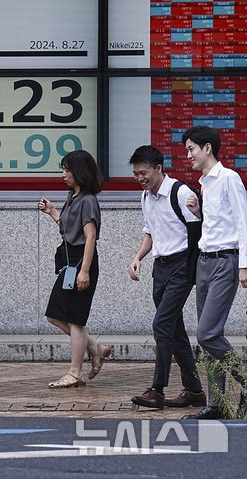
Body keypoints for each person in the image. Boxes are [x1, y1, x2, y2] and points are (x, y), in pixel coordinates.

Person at [127, 145, 205, 409]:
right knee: (174, 331)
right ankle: (194, 391)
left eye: (144, 173)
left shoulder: (180, 192)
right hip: (160, 268)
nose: (140, 178)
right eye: (136, 174)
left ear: (159, 168)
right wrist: (138, 257)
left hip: (182, 266)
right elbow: (150, 231)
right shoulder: (146, 197)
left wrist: (195, 269)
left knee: (161, 324)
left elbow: (199, 227)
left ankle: (157, 389)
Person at [180, 126, 247, 420]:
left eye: (191, 149)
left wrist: (244, 264)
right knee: (210, 337)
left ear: (208, 148)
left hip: (225, 261)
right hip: (204, 262)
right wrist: (198, 212)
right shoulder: (204, 183)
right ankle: (216, 403)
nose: (188, 155)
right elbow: (216, 224)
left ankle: (244, 377)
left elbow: (243, 223)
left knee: (206, 334)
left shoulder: (229, 178)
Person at [38, 150, 111, 388]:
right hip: (70, 260)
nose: (64, 174)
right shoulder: (73, 196)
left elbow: (90, 238)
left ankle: (75, 372)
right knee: (55, 314)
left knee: (76, 319)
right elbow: (69, 228)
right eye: (64, 169)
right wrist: (52, 212)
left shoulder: (88, 200)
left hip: (82, 261)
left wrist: (85, 271)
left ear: (79, 172)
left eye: (67, 170)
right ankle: (94, 348)